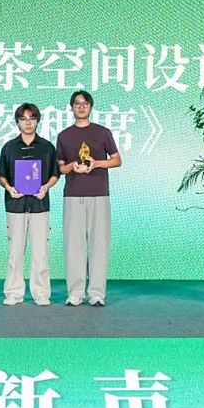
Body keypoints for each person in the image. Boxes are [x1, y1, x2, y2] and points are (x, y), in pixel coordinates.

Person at [55, 90, 121, 306]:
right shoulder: (64, 135)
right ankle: (75, 293)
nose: (81, 107)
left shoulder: (102, 132)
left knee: (99, 244)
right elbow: (60, 168)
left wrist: (97, 163)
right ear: (71, 107)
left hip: (99, 193)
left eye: (85, 104)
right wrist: (72, 166)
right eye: (77, 104)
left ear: (91, 107)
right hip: (73, 194)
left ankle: (96, 294)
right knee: (73, 245)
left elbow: (117, 160)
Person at [0, 103, 60, 306]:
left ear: (37, 121)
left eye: (31, 118)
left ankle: (41, 293)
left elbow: (55, 174)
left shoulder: (47, 147)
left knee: (40, 253)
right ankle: (13, 293)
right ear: (17, 122)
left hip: (40, 205)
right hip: (15, 206)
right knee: (15, 252)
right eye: (23, 119)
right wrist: (9, 188)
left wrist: (46, 187)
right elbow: (2, 175)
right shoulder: (9, 147)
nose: (28, 123)